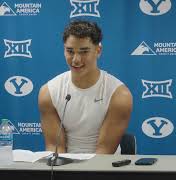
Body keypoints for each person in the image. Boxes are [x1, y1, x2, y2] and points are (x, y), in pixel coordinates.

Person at [38, 20, 133, 154]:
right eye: (70, 51)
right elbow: (55, 148)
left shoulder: (119, 95)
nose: (76, 59)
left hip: (102, 168)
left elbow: (104, 152)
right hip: (64, 169)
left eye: (84, 52)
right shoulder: (48, 93)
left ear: (98, 51)